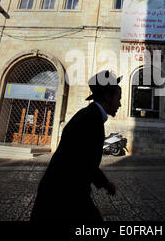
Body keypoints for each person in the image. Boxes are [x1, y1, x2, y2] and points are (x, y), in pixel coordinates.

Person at [30, 70, 122, 221]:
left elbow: (86, 159)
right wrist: (105, 183)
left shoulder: (91, 115)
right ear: (107, 97)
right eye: (118, 98)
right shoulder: (91, 119)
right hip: (63, 194)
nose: (119, 104)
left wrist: (105, 183)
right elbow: (81, 162)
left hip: (63, 191)